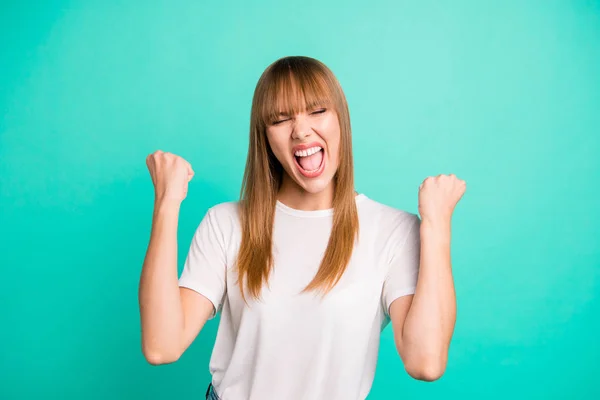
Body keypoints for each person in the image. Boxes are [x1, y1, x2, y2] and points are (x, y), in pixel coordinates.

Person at [138, 56, 466, 400]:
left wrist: (436, 228)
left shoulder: (392, 231)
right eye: (280, 119)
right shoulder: (225, 223)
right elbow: (162, 346)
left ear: (341, 120)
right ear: (265, 136)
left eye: (317, 111)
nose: (301, 130)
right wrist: (166, 204)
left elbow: (425, 362)